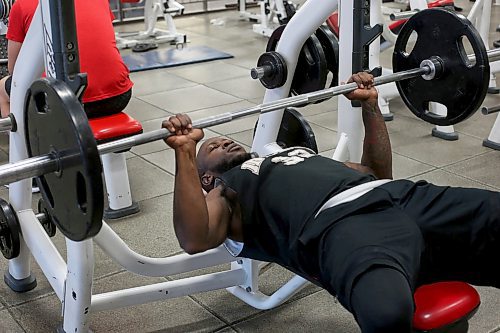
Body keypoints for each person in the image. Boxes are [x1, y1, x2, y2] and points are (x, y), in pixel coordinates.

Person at [162, 72, 500, 333]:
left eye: (225, 140)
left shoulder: (292, 154)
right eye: (213, 147)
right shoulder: (227, 189)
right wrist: (185, 153)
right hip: (343, 230)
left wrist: (370, 107)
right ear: (205, 178)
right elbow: (195, 238)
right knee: (387, 314)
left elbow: (376, 172)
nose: (224, 141)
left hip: (401, 198)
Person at [0, 0, 133, 119]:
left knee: (2, 88)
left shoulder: (22, 5)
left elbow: (15, 70)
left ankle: (23, 143)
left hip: (61, 103)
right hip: (119, 96)